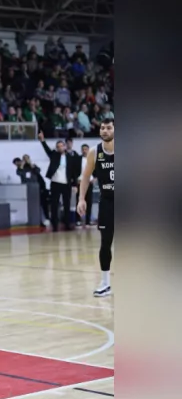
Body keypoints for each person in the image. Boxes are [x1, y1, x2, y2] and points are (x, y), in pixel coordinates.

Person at [77, 118, 114, 297]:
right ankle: (105, 283)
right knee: (105, 243)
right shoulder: (94, 152)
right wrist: (81, 199)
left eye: (108, 128)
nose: (105, 131)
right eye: (102, 128)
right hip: (107, 202)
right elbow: (85, 177)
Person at [38, 132, 76, 231]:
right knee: (54, 205)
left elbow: (73, 172)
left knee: (67, 204)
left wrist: (74, 184)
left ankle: (67, 224)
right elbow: (47, 150)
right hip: (55, 183)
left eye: (61, 146)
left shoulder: (70, 158)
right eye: (58, 146)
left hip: (66, 183)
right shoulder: (54, 155)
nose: (59, 148)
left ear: (64, 146)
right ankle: (55, 225)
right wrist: (42, 140)